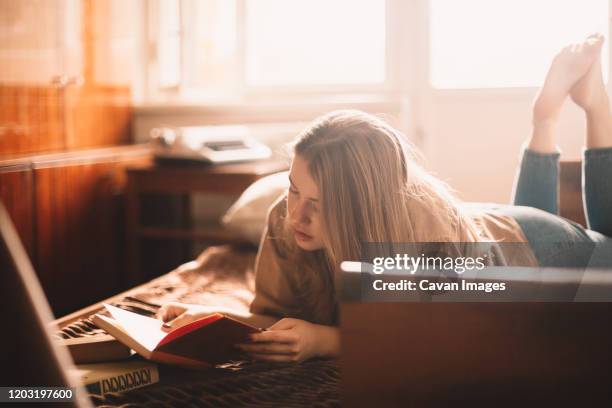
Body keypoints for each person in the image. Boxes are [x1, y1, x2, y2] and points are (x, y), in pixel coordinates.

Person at [158, 34, 612, 363]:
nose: (297, 214)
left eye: (320, 203)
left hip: (536, 247)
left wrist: (328, 341)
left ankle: (591, 106)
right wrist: (213, 319)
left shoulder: (430, 235)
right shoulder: (286, 215)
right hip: (497, 226)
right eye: (295, 189)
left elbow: (462, 339)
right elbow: (273, 318)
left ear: (366, 207)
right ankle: (546, 120)